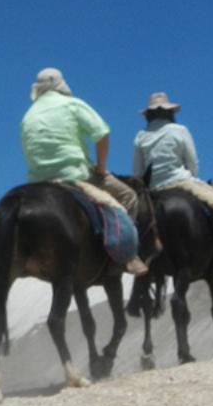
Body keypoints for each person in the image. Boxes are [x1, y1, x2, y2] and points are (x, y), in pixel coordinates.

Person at [19, 68, 148, 274]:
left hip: (37, 183)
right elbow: (102, 133)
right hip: (75, 175)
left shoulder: (28, 116)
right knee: (128, 196)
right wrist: (101, 167)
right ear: (60, 85)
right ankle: (126, 255)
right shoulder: (72, 104)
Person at [132, 90, 213, 254]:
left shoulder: (140, 136)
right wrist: (192, 177)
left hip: (153, 188)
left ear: (149, 115)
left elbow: (138, 172)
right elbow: (192, 162)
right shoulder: (180, 130)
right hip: (180, 180)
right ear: (169, 112)